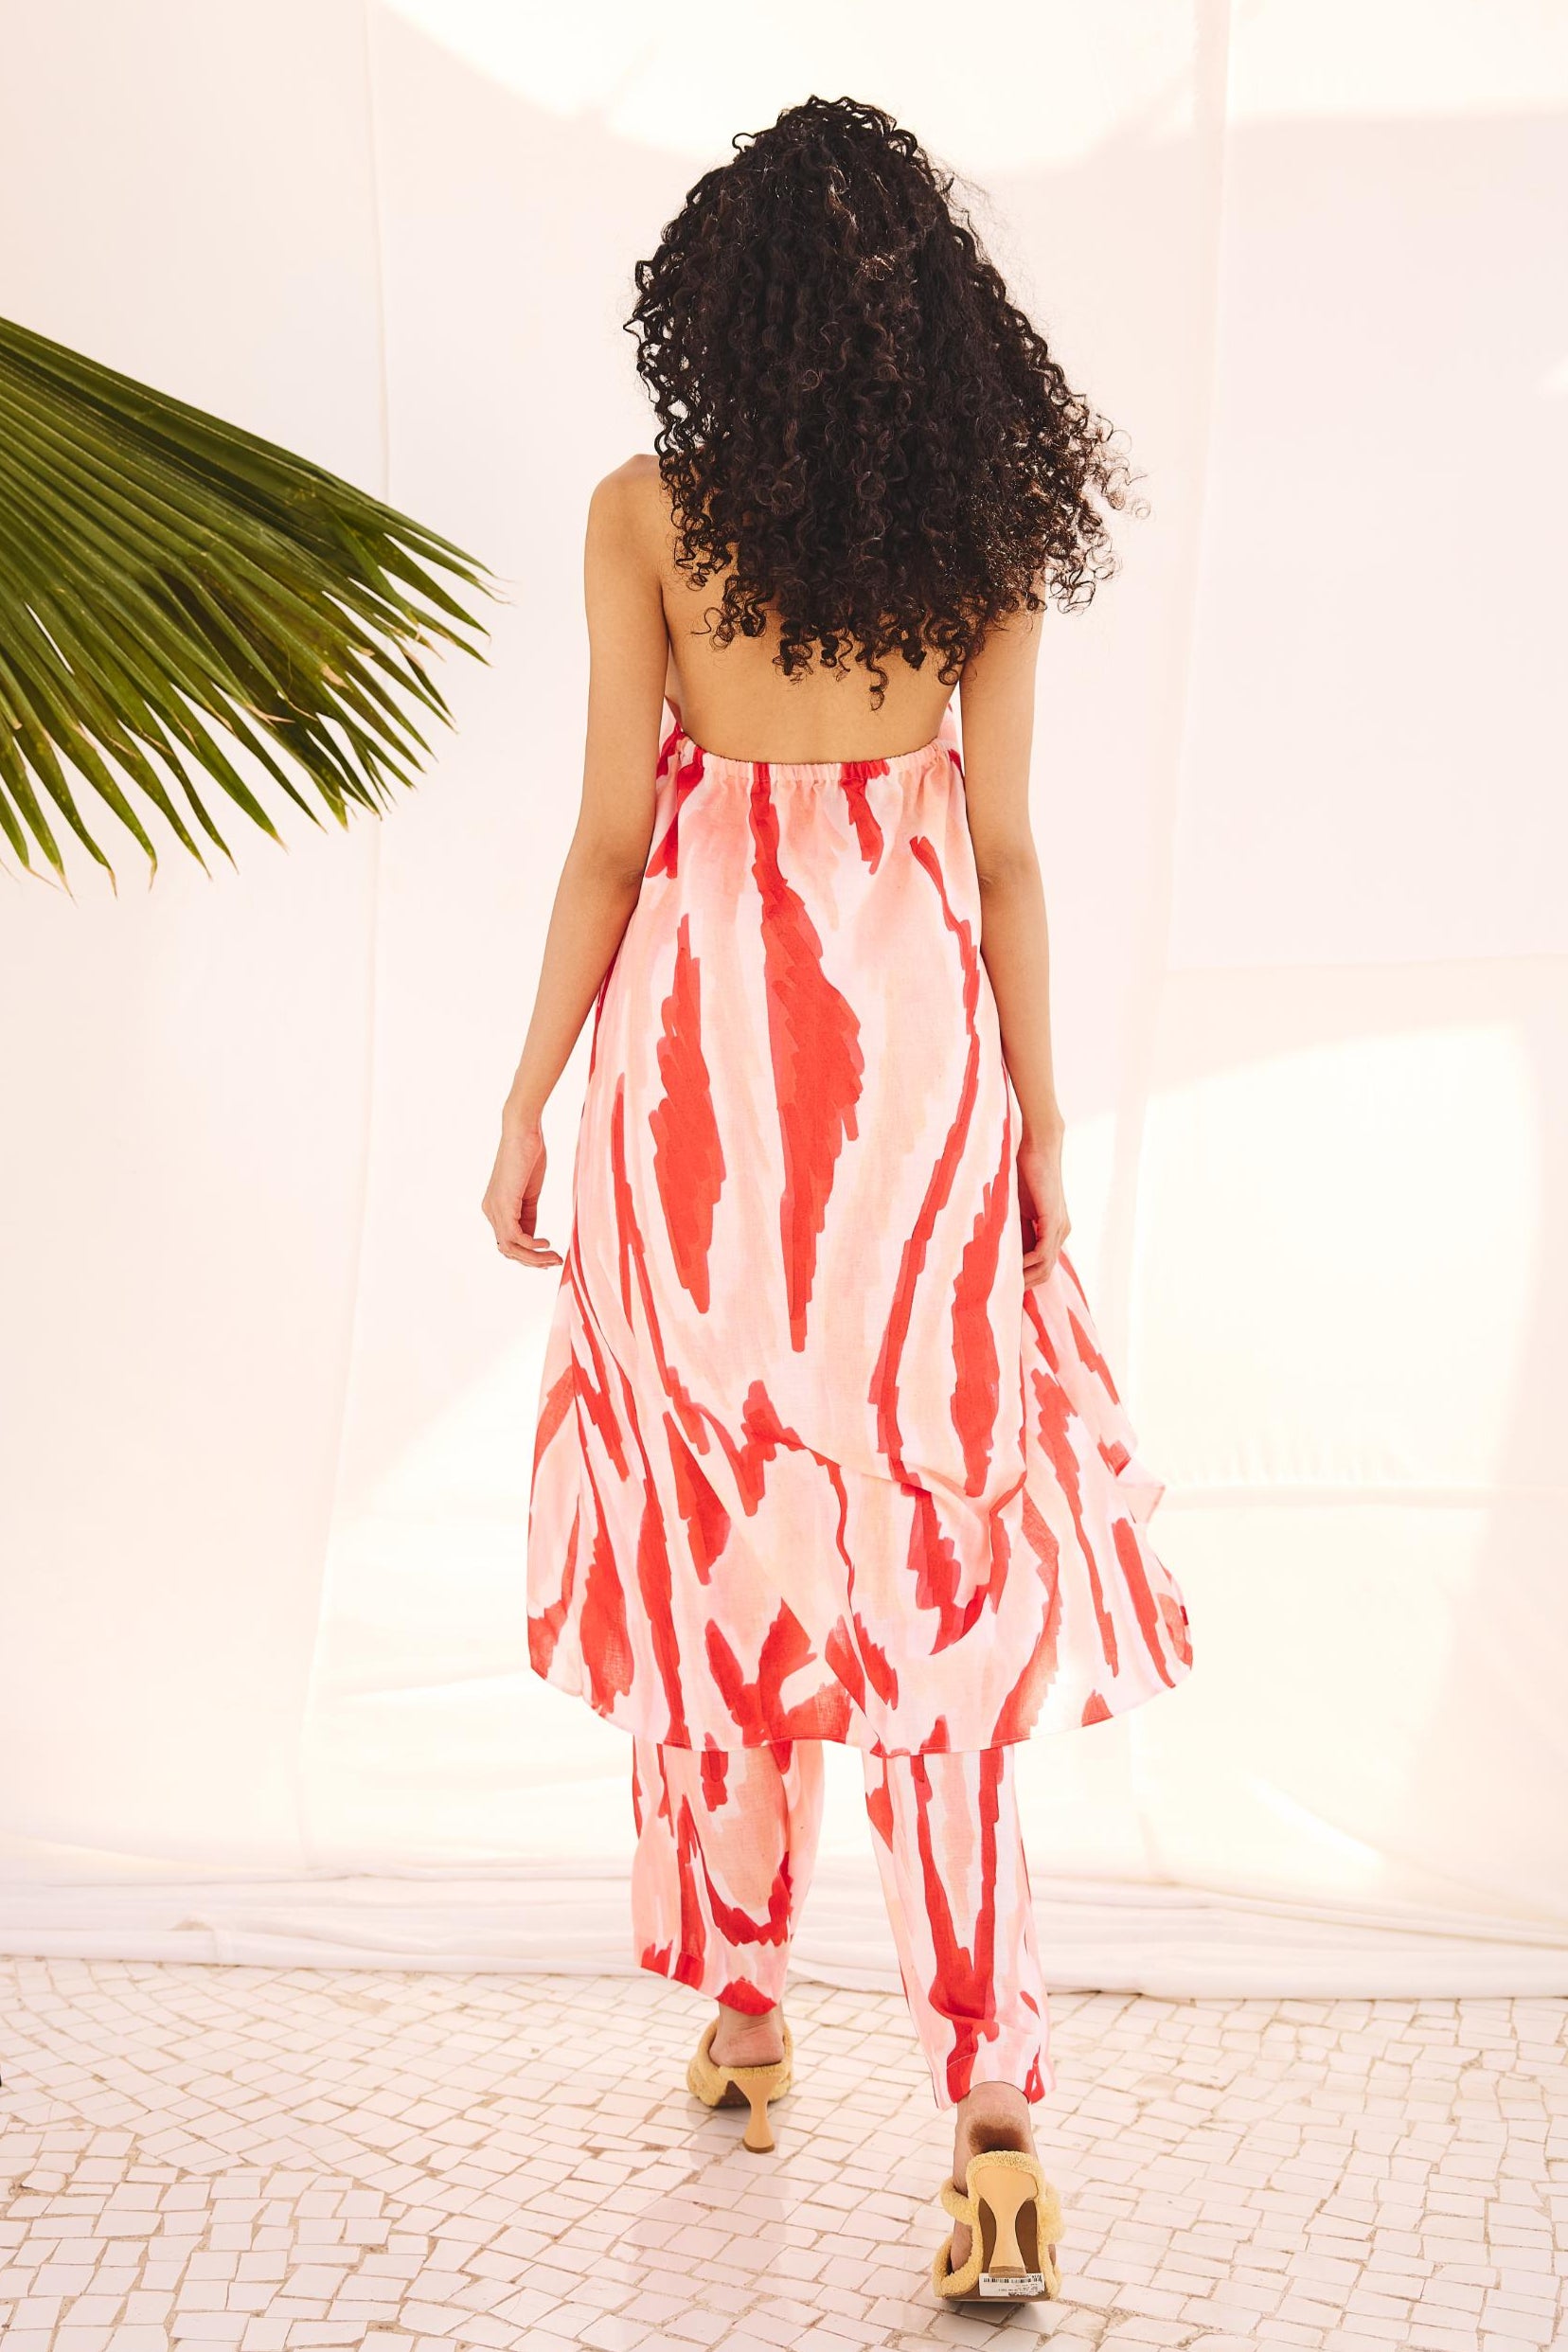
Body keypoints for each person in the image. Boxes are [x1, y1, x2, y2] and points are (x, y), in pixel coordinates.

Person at [482, 94, 1193, 2306]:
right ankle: (993, 2114)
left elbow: (612, 843)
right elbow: (1005, 861)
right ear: (936, 316)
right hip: (912, 1112)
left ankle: (748, 2012)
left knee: (728, 1543)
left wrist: (525, 1102)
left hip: (698, 1114)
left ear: (718, 310)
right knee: (930, 1577)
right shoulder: (980, 538)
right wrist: (1043, 1131)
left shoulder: (647, 518)